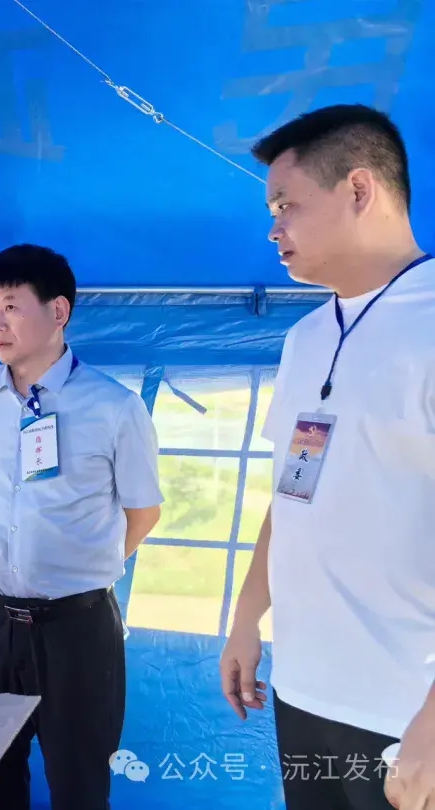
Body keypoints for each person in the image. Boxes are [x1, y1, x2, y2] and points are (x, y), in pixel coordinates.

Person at [219, 103, 435, 810]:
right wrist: (246, 618)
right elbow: (294, 490)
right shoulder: (305, 338)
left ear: (359, 189)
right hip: (306, 690)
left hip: (409, 709)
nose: (273, 228)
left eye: (286, 204)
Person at [0, 245, 163, 810]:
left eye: (11, 307)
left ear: (59, 311)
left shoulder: (115, 407)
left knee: (79, 780)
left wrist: (85, 568)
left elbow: (144, 512)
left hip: (76, 625)